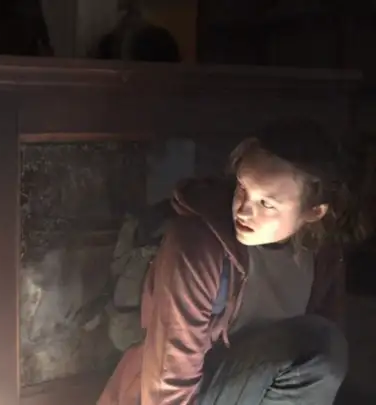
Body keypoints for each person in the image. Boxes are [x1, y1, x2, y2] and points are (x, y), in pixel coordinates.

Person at [98, 118, 367, 405]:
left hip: (262, 387)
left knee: (323, 344)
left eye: (267, 203)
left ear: (313, 212)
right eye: (242, 188)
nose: (243, 210)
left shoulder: (322, 255)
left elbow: (321, 374)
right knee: (318, 343)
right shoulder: (199, 246)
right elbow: (170, 377)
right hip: (195, 393)